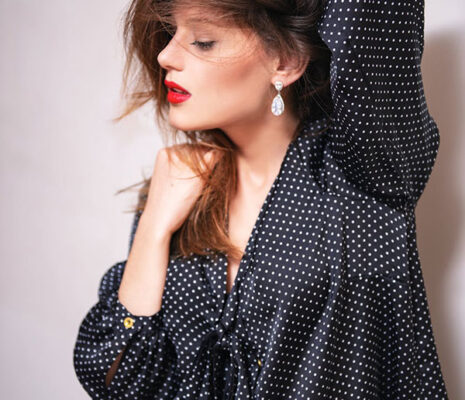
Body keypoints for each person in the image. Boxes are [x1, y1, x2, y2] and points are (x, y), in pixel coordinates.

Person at [73, 0, 450, 398]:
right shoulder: (178, 189)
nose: (165, 55)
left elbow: (371, 15)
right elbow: (114, 380)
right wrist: (154, 229)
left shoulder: (365, 175)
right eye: (171, 34)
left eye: (202, 41)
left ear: (285, 62)